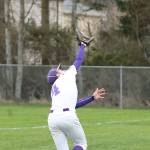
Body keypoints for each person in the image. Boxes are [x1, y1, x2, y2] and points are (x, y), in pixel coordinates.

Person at [47, 34, 106, 150]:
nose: (61, 69)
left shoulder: (53, 90)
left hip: (52, 119)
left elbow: (74, 105)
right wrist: (83, 46)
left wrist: (92, 98)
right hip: (67, 116)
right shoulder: (67, 75)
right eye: (59, 70)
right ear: (57, 75)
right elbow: (79, 60)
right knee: (81, 144)